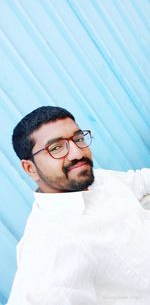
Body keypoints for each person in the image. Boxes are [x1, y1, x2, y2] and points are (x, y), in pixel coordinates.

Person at [7, 106, 150, 305]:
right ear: (30, 168)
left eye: (78, 139)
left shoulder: (96, 180)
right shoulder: (49, 245)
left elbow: (140, 181)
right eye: (56, 148)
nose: (76, 153)